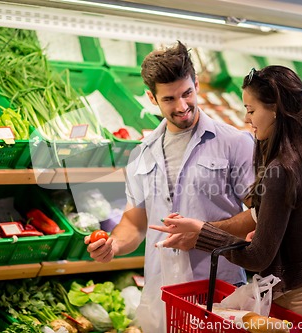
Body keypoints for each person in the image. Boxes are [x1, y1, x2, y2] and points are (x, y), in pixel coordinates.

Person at [150, 65, 302, 330]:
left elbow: (258, 257)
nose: (246, 118)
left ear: (275, 107)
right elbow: (293, 225)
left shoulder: (281, 168)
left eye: (251, 110)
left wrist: (202, 234)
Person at [85, 41, 255, 285]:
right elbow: (134, 222)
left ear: (196, 85)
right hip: (161, 289)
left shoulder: (235, 142)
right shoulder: (142, 153)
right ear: (151, 98)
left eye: (187, 93)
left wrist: (202, 234)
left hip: (218, 287)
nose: (182, 106)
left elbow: (260, 215)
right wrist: (114, 245)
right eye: (169, 99)